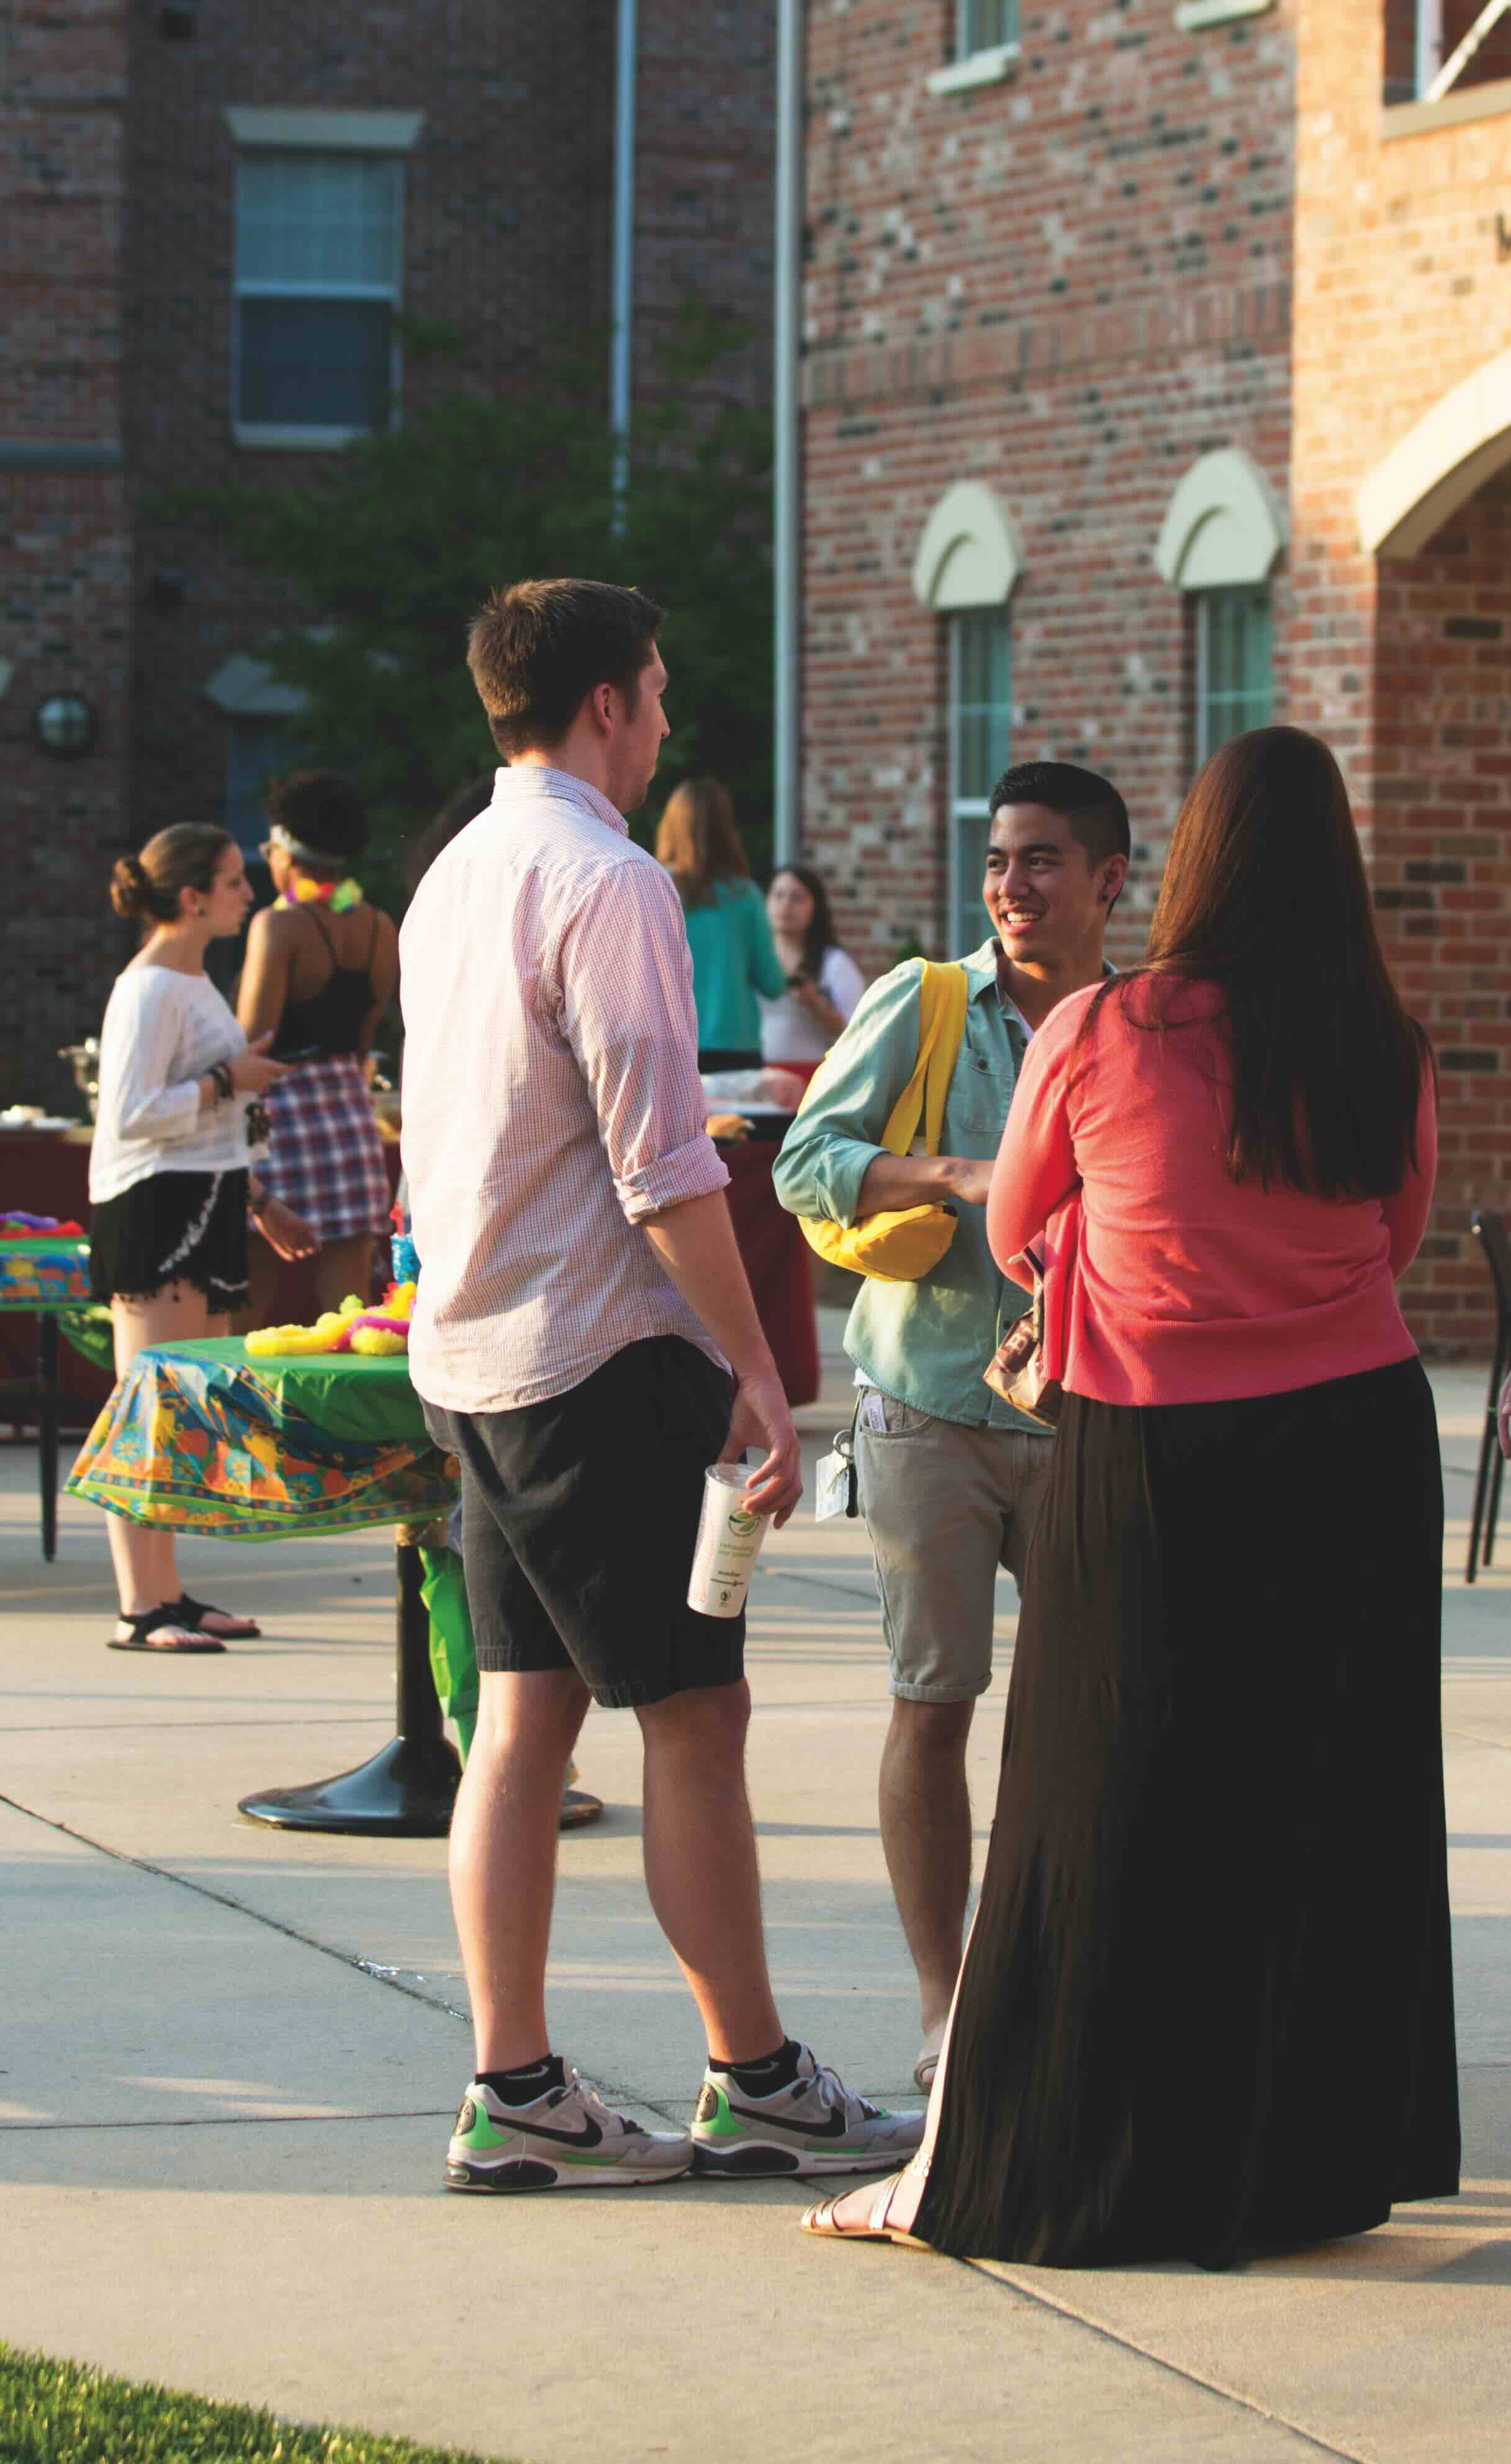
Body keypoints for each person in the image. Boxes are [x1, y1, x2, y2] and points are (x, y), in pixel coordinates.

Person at [810, 724, 1451, 2264]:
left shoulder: (1104, 1026)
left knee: (1088, 1801)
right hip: (1355, 1439)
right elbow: (1403, 1229)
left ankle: (1016, 2160)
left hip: (1158, 1434)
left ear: (1186, 860)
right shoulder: (1384, 1036)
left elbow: (1026, 1221)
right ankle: (1296, 2158)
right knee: (1313, 1798)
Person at [400, 578, 917, 2194]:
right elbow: (659, 1164)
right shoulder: (603, 878)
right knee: (698, 1719)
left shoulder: (453, 874)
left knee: (524, 1722)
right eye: (660, 692)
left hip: (475, 1355)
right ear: (608, 703)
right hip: (604, 1360)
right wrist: (762, 1369)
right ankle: (752, 2079)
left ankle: (518, 2089)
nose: (671, 723)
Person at [772, 761, 1129, 2086]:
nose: (1011, 885)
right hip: (927, 1400)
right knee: (934, 1701)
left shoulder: (1141, 1025)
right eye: (996, 860)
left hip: (1092, 1413)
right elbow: (804, 1158)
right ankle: (946, 2005)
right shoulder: (922, 1001)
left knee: (1088, 1712)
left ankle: (1069, 1980)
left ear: (1107, 878)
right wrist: (957, 1172)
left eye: (1040, 860)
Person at [91, 821, 286, 1654]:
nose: (252, 895)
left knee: (184, 1402)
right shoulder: (150, 989)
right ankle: (141, 1605)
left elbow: (206, 1111)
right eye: (237, 882)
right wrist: (224, 1080)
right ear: (192, 897)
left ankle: (166, 1590)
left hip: (202, 1197)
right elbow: (132, 1113)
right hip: (154, 1206)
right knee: (151, 1403)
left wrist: (257, 1191)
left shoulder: (192, 982)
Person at [234, 768, 402, 1323]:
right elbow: (363, 1040)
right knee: (348, 1311)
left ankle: (245, 1411)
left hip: (276, 1116)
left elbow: (249, 1045)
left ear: (285, 848)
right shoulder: (380, 926)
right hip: (348, 1115)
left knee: (249, 1297)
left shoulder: (278, 926)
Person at [653, 772, 787, 1074]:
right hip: (736, 1048)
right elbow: (773, 984)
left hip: (670, 1044)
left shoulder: (656, 887)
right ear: (726, 829)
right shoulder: (746, 895)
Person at [759, 863, 865, 1072]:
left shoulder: (834, 963)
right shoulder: (754, 957)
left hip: (815, 1073)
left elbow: (857, 1032)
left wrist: (816, 1005)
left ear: (816, 907)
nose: (786, 905)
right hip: (761, 1073)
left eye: (797, 898)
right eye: (778, 895)